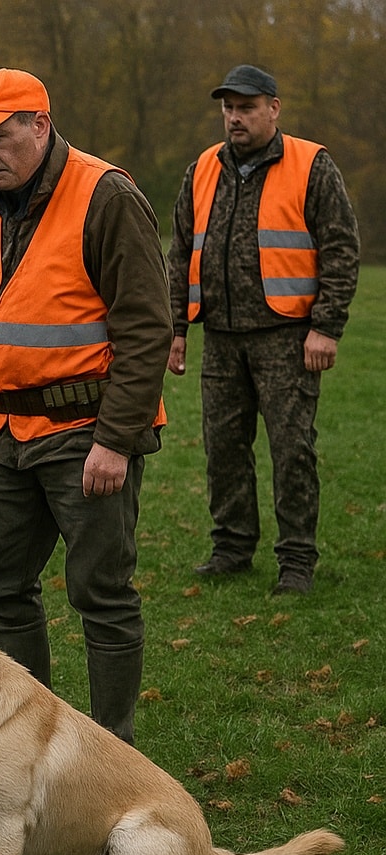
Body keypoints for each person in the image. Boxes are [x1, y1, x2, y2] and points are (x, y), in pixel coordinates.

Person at [0, 68, 172, 745]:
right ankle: (27, 734)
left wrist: (116, 440)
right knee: (0, 583)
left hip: (86, 429)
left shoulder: (106, 195)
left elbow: (148, 328)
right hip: (8, 431)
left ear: (40, 124)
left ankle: (111, 746)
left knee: (101, 593)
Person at [166, 64, 359, 596]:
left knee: (292, 449)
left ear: (274, 108)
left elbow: (341, 248)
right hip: (221, 337)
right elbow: (181, 250)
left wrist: (327, 327)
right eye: (229, 108)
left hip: (288, 337)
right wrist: (177, 327)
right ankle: (232, 547)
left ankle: (296, 560)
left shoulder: (311, 164)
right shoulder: (203, 167)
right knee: (223, 448)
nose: (235, 117)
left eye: (247, 107)